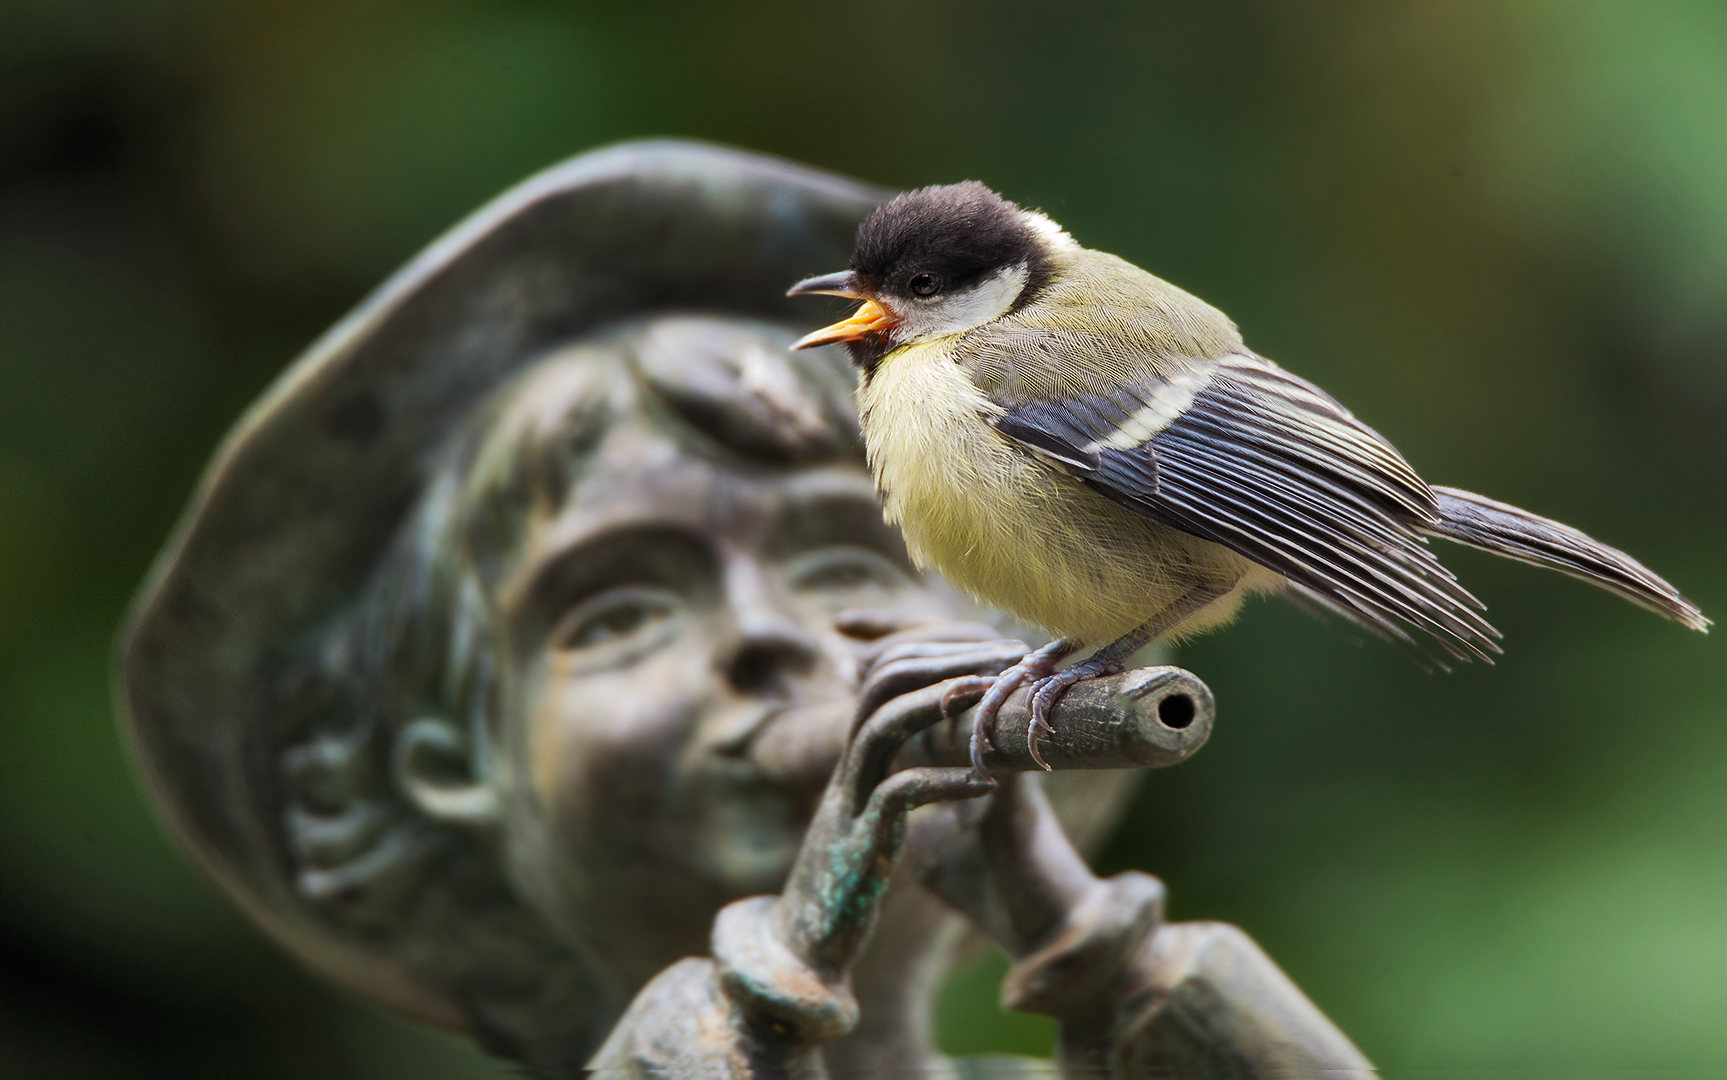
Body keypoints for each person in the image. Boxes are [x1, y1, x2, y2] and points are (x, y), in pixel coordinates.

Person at [119, 141, 1370, 1076]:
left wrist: (1088, 936)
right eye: (618, 611)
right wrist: (786, 960)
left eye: (838, 573)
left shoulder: (1015, 363)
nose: (774, 640)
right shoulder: (690, 1043)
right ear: (435, 765)